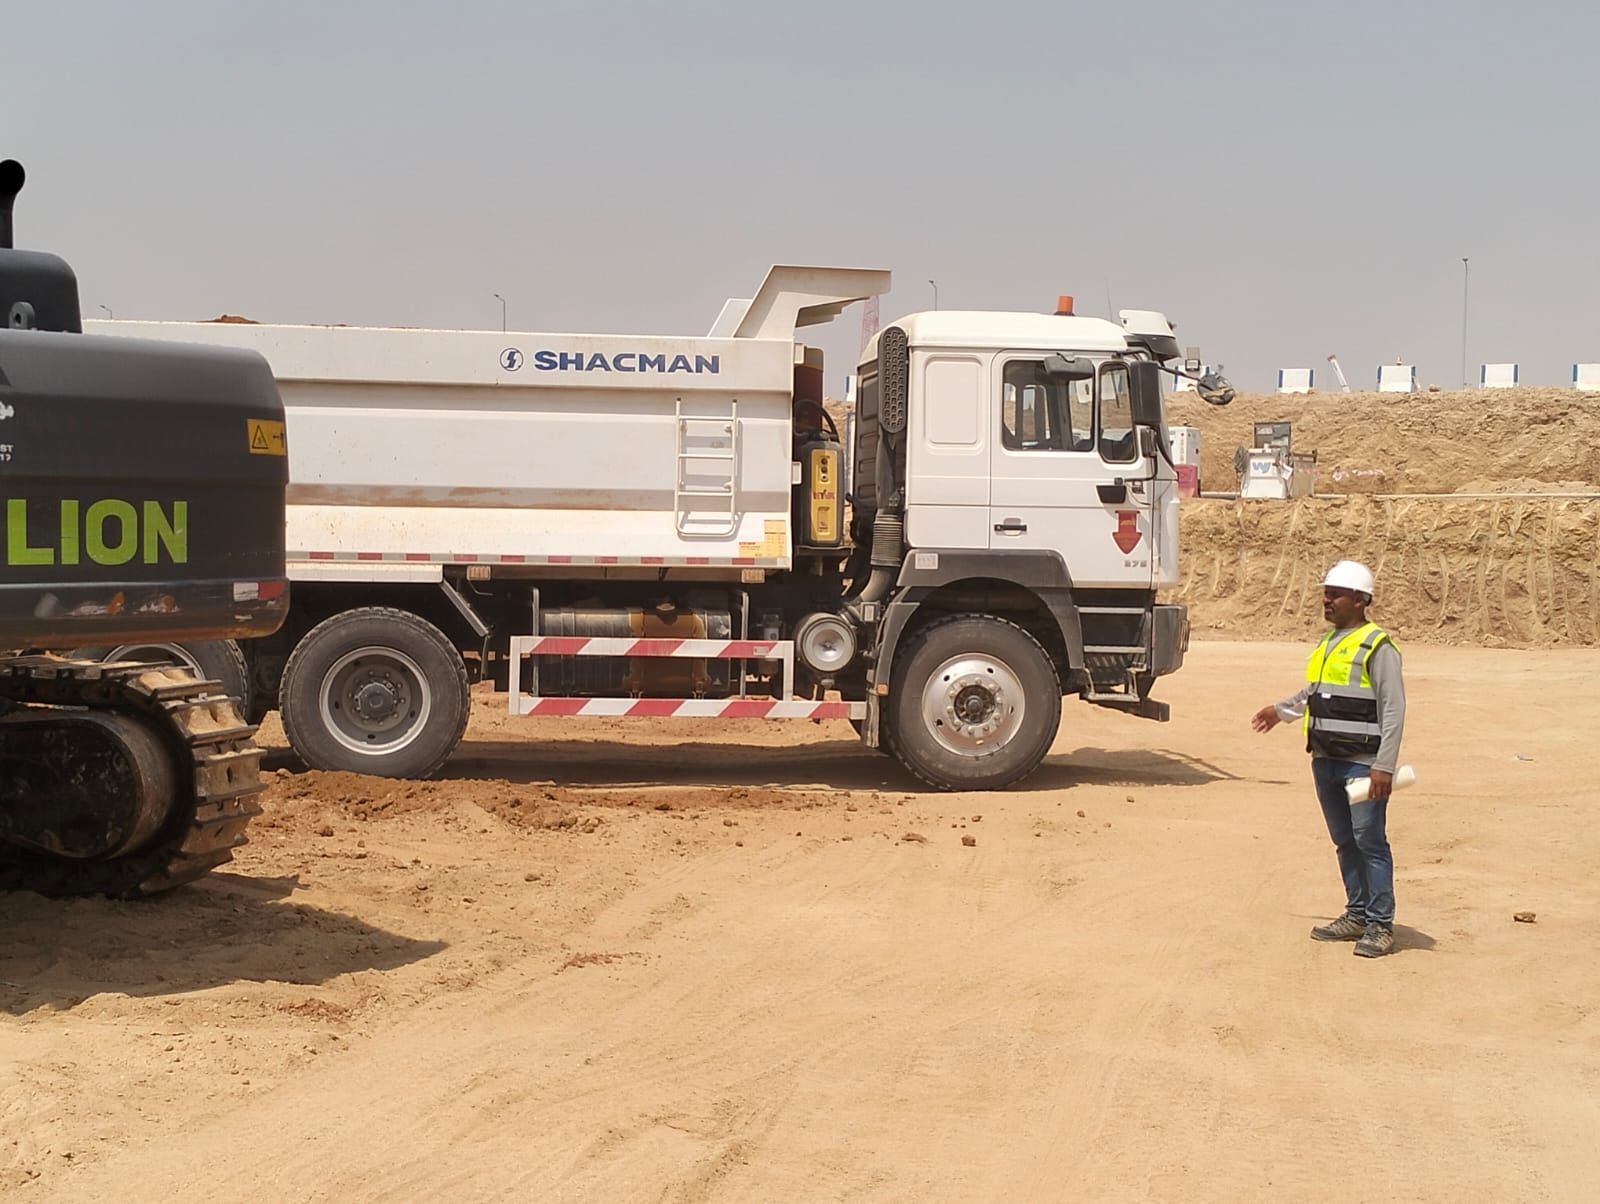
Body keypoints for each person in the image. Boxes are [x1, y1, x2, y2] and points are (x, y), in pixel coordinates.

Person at [1251, 560, 1406, 958]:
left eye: (1334, 594)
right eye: (1325, 593)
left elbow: (1393, 709)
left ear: (1359, 599)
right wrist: (1280, 711)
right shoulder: (1329, 642)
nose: (1327, 600)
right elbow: (1315, 693)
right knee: (1344, 842)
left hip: (1361, 763)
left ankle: (1379, 924)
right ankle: (1356, 914)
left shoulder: (1378, 645)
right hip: (1326, 760)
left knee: (1369, 841)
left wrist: (1384, 765)